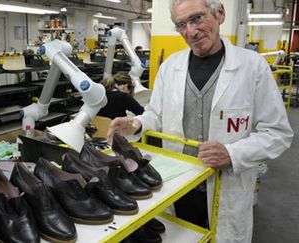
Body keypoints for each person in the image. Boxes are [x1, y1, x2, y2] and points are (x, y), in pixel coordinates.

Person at [106, 0, 293, 242]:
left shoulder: (252, 67)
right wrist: (136, 124)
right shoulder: (169, 67)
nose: (190, 31)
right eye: (181, 24)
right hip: (178, 184)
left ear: (220, 14)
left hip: (227, 186)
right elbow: (157, 114)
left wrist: (232, 153)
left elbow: (277, 132)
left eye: (197, 19)